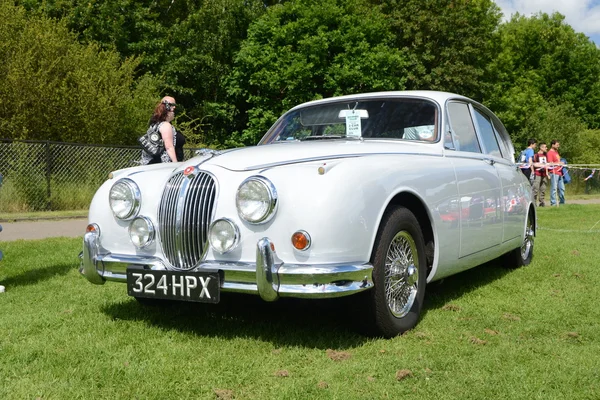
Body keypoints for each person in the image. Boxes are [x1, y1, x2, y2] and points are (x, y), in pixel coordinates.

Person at [140, 96, 186, 165]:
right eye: (173, 105)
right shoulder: (165, 125)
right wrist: (175, 164)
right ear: (167, 107)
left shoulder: (155, 124)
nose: (174, 108)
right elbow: (169, 147)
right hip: (163, 166)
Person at [547, 140, 565, 206]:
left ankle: (562, 202)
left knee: (562, 188)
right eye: (557, 145)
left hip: (559, 172)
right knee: (554, 188)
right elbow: (550, 163)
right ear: (553, 145)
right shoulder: (550, 153)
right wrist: (558, 163)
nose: (558, 146)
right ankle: (553, 203)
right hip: (554, 172)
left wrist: (561, 163)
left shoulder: (556, 152)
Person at [532, 142, 549, 207]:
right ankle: (534, 201)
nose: (546, 148)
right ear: (541, 148)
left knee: (543, 188)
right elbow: (534, 164)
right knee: (535, 188)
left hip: (544, 174)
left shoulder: (546, 155)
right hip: (538, 174)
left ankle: (542, 201)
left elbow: (547, 164)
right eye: (545, 147)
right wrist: (540, 165)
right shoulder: (536, 155)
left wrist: (547, 173)